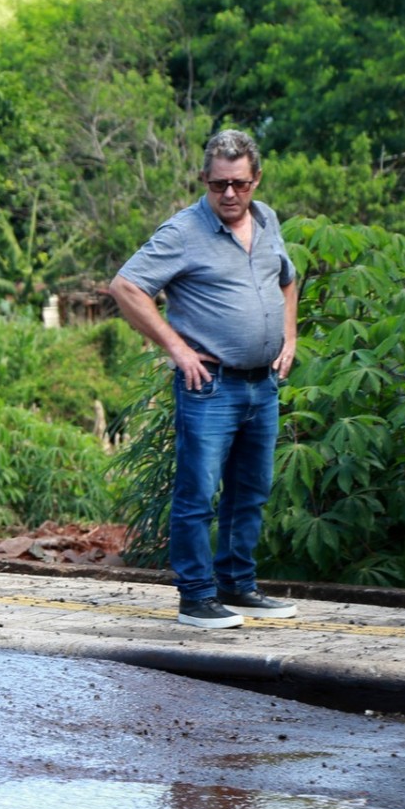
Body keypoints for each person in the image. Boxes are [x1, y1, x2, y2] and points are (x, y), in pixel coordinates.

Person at [110, 129, 298, 629]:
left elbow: (287, 276)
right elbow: (126, 286)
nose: (229, 195)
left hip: (263, 383)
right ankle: (196, 596)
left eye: (239, 184)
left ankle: (238, 581)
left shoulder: (267, 219)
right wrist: (176, 348)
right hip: (210, 385)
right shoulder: (183, 232)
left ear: (256, 179)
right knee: (199, 493)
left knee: (251, 489)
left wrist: (290, 337)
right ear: (204, 181)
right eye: (218, 185)